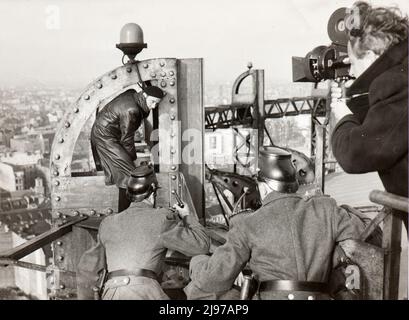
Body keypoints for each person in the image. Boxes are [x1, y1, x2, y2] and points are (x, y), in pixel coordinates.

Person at [185, 147, 367, 300]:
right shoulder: (326, 209)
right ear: (294, 183)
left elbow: (214, 278)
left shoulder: (248, 224)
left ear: (263, 186)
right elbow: (361, 236)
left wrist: (197, 261)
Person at [76, 165, 210, 300]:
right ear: (153, 194)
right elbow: (201, 245)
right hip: (145, 292)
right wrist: (187, 216)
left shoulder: (108, 223)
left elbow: (86, 270)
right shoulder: (161, 218)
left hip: (111, 294)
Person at [330, 2, 408, 228]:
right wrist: (357, 92)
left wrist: (343, 116)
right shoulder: (401, 73)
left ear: (371, 55)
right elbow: (388, 124)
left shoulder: (397, 83)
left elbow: (356, 154)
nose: (351, 71)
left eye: (353, 63)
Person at [91, 85, 165, 212]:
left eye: (156, 104)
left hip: (109, 133)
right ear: (144, 95)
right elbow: (127, 139)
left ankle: (126, 213)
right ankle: (124, 213)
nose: (153, 106)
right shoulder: (132, 110)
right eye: (152, 102)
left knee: (128, 173)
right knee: (129, 176)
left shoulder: (134, 95)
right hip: (105, 137)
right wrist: (132, 160)